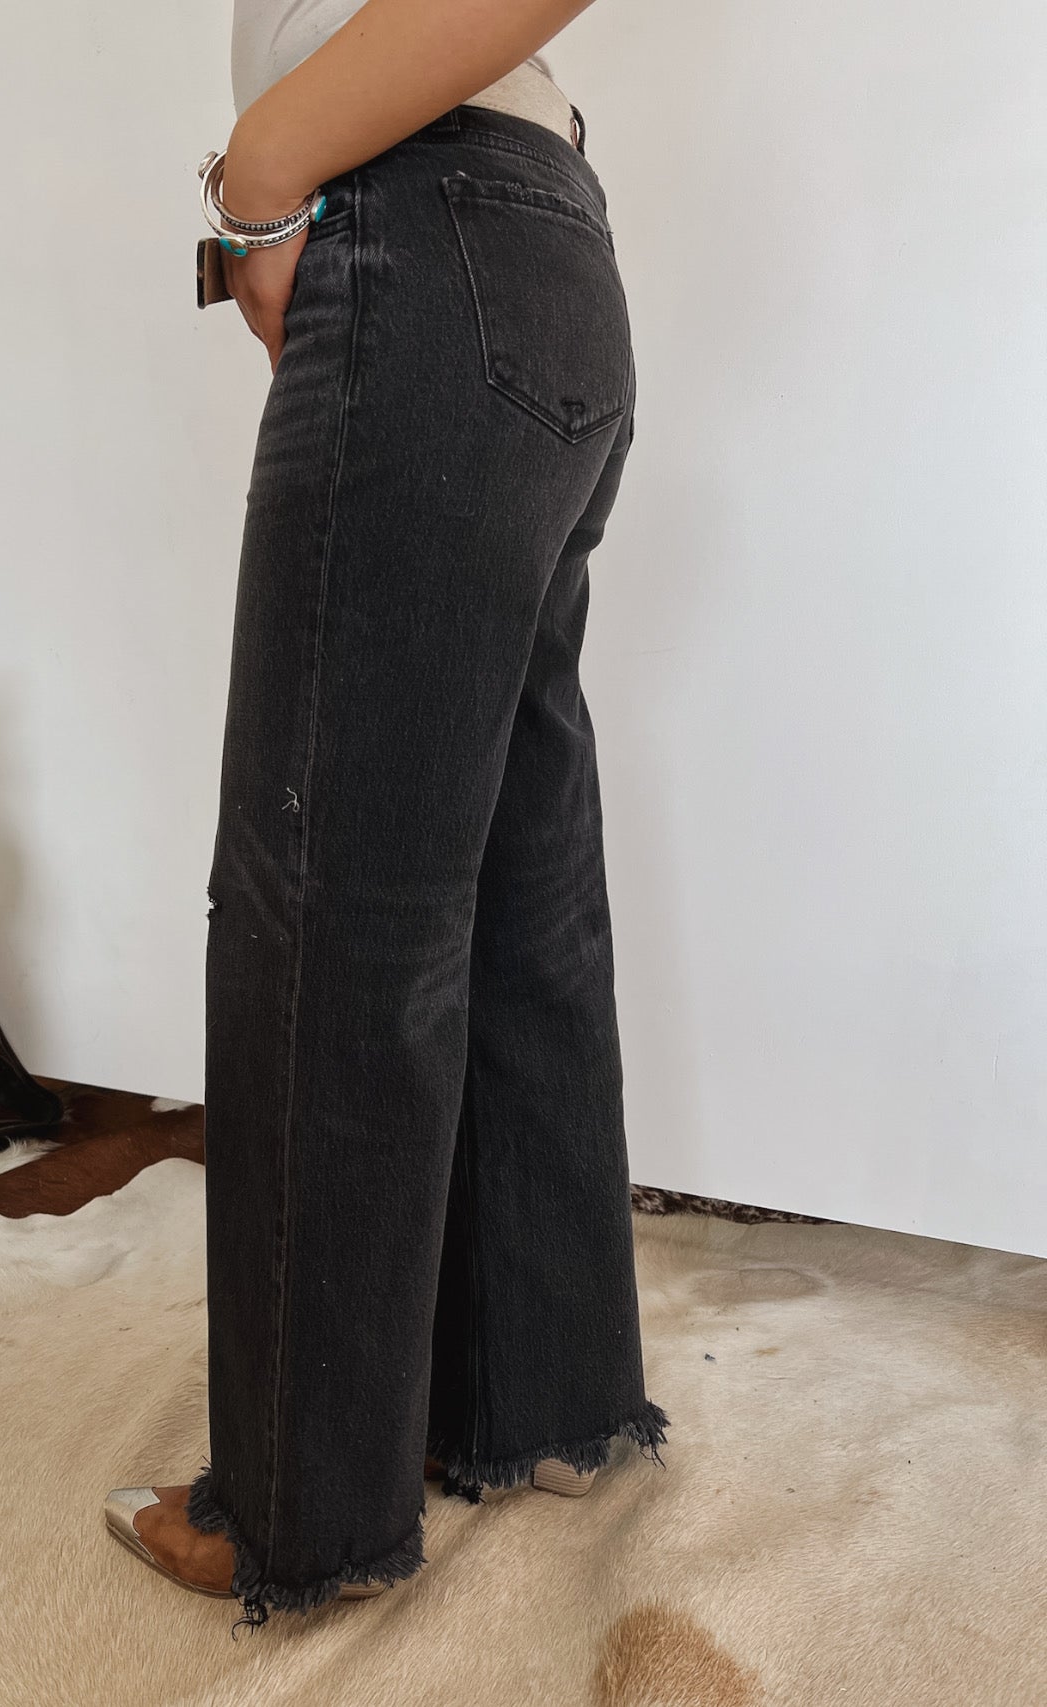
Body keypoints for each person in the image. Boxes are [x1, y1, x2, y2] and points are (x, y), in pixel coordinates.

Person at [105, 0, 670, 1635]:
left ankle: (303, 1509)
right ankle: (544, 1401)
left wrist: (262, 178)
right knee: (510, 874)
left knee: (332, 902)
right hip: (541, 239)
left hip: (415, 215)